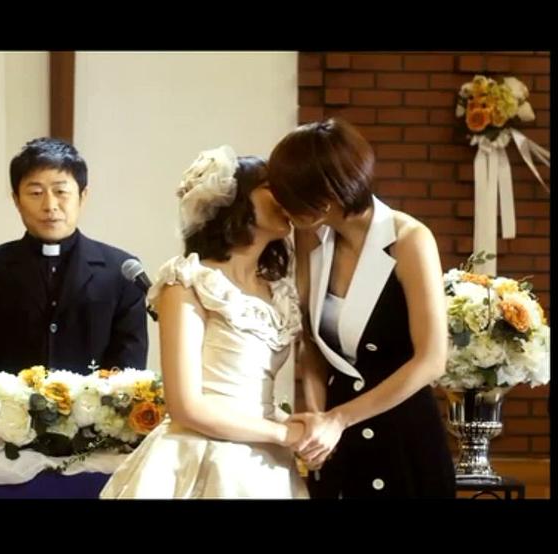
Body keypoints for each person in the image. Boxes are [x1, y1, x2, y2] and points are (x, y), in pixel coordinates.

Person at [101, 145, 308, 498]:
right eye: (270, 187)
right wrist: (282, 433)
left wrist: (293, 428)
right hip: (201, 455)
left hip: (264, 463)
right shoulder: (187, 281)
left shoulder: (278, 292)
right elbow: (186, 406)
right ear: (234, 200)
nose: (285, 197)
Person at [268, 118, 455, 498]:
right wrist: (319, 420)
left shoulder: (410, 239)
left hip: (404, 437)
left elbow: (432, 360)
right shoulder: (310, 239)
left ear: (324, 199)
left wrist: (339, 419)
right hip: (338, 441)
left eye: (289, 194)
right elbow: (311, 344)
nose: (281, 205)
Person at [0, 137, 148, 376]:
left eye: (61, 191)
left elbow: (129, 370)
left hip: (98, 402)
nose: (50, 205)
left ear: (83, 196)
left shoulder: (121, 271)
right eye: (36, 193)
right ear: (16, 200)